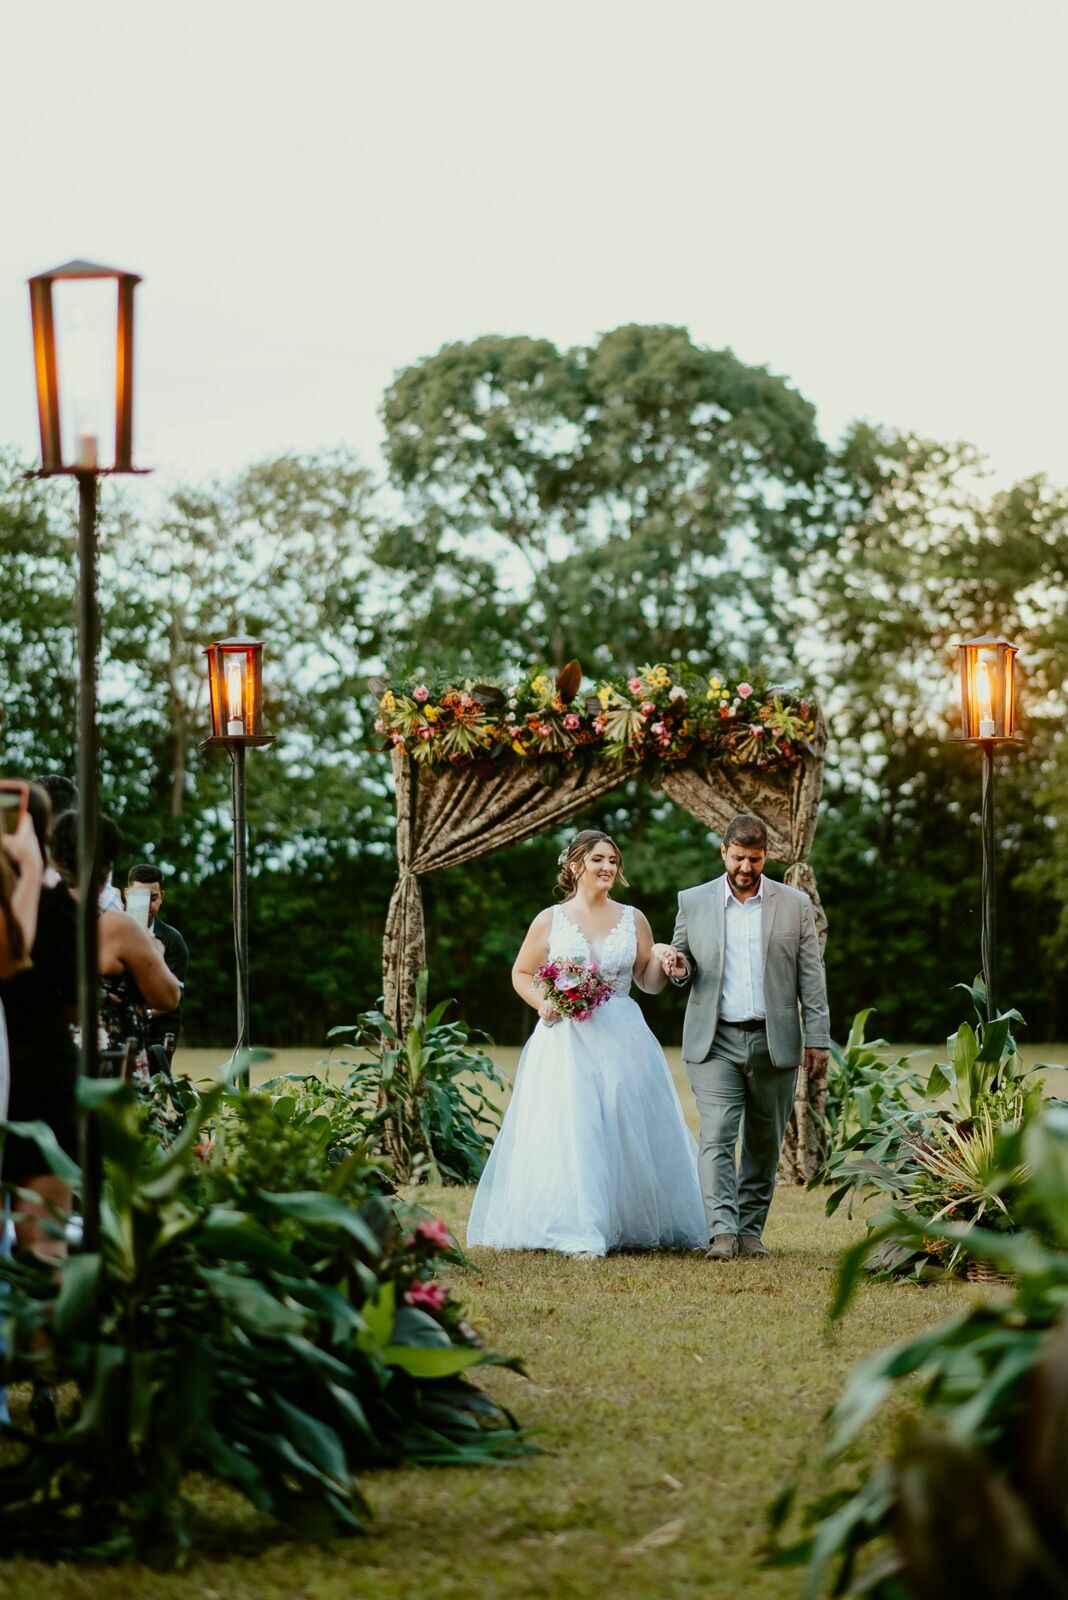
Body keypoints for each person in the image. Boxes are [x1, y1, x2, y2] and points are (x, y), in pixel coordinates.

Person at [467, 829, 707, 1258]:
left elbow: (647, 982)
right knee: (573, 1125)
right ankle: (576, 1226)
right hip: (566, 1038)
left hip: (622, 1034)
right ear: (575, 865)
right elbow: (521, 972)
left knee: (623, 1120)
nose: (608, 867)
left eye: (613, 860)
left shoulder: (633, 918)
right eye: (598, 859)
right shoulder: (550, 919)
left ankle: (625, 1222)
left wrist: (665, 963)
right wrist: (544, 1003)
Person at [659, 813, 830, 1262]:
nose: (745, 867)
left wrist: (818, 1038)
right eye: (738, 857)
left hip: (775, 1041)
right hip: (714, 1041)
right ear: (723, 852)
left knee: (763, 1141)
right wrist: (678, 967)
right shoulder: (693, 901)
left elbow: (812, 976)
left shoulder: (794, 904)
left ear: (765, 856)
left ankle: (750, 1232)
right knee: (717, 1134)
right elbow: (682, 960)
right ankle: (722, 1232)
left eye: (754, 859)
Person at [0, 786, 78, 1262]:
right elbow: (76, 998)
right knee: (45, 1243)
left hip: (16, 1063)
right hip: (44, 1066)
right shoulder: (53, 898)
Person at [51, 811, 180, 1075]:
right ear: (106, 867)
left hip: (50, 1056)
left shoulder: (32, 916)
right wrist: (154, 950)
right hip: (109, 1062)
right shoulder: (118, 927)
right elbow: (167, 997)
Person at [125, 864, 188, 1054]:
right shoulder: (112, 931)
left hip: (158, 1033)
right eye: (139, 898)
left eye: (152, 898)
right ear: (127, 894)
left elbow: (174, 994)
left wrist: (144, 1014)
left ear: (162, 897)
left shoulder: (173, 940)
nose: (147, 906)